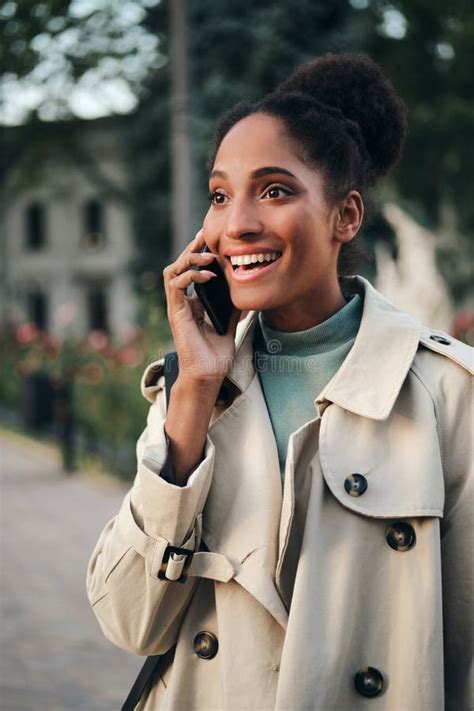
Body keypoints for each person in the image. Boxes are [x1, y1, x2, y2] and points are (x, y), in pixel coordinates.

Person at [87, 53, 473, 710]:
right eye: (219, 194)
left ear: (345, 216)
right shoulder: (192, 388)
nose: (236, 222)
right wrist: (192, 400)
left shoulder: (448, 394)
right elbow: (129, 622)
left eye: (274, 190)